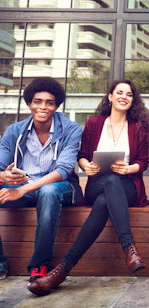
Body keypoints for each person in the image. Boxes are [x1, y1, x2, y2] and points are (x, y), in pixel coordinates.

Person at [28, 79, 149, 296]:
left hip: (128, 187)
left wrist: (128, 168)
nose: (124, 97)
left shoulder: (139, 127)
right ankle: (129, 248)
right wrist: (87, 167)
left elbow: (143, 162)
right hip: (97, 183)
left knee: (109, 193)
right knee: (108, 183)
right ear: (110, 96)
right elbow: (82, 155)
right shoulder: (95, 123)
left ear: (133, 100)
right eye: (119, 92)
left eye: (129, 94)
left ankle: (62, 270)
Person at [0, 77, 83, 282]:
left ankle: (40, 265)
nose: (43, 107)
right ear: (29, 104)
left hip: (60, 187)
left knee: (48, 191)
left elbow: (62, 170)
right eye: (37, 101)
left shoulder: (71, 129)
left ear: (56, 106)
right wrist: (4, 176)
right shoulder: (14, 131)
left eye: (49, 102)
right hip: (23, 185)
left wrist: (22, 190)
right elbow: (0, 166)